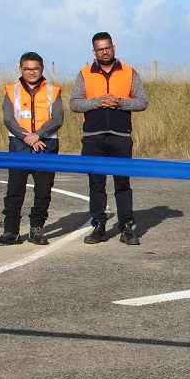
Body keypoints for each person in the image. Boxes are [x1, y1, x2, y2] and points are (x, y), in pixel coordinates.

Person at [68, 32, 148, 245]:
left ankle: (126, 227)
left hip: (120, 137)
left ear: (114, 47)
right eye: (100, 49)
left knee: (122, 183)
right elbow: (74, 104)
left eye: (107, 48)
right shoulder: (85, 74)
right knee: (96, 184)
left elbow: (142, 102)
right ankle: (98, 225)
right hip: (93, 137)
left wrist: (120, 103)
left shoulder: (130, 73)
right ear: (94, 52)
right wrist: (98, 102)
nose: (104, 52)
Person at [0, 52, 64, 246]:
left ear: (42, 69)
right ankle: (11, 232)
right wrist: (28, 137)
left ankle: (37, 229)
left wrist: (39, 134)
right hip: (19, 146)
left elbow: (58, 119)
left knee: (43, 191)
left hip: (47, 145)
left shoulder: (54, 91)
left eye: (35, 68)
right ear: (21, 69)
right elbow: (9, 120)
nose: (31, 72)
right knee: (14, 190)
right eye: (27, 69)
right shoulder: (11, 91)